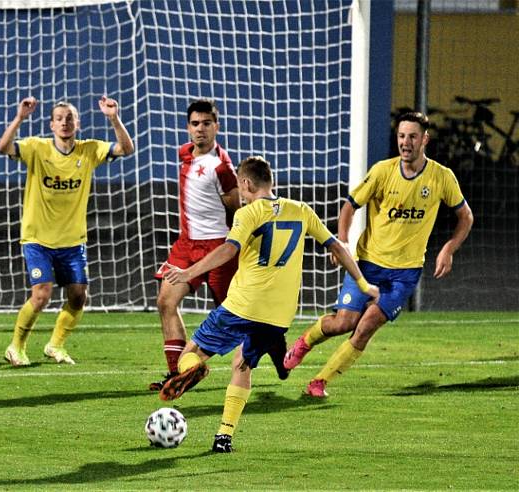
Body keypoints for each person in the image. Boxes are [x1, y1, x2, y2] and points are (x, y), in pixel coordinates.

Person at [159, 156, 380, 453]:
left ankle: (192, 369)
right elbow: (337, 247)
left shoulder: (248, 214)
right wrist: (364, 285)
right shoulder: (301, 210)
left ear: (247, 184)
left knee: (193, 351)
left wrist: (188, 272)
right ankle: (224, 436)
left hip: (243, 305)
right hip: (279, 315)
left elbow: (228, 249)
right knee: (243, 362)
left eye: (240, 186)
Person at [283, 111, 474, 398]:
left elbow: (466, 216)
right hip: (368, 265)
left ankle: (319, 382)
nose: (405, 142)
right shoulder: (383, 171)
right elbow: (349, 206)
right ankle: (304, 343)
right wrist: (343, 241)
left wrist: (449, 247)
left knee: (366, 326)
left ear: (425, 139)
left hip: (405, 273)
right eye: (401, 136)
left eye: (411, 136)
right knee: (343, 323)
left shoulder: (441, 177)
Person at [0, 95, 134, 366]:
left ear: (78, 123)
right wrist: (20, 118)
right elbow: (3, 147)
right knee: (42, 295)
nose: (65, 122)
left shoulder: (89, 150)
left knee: (79, 296)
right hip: (37, 238)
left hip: (72, 242)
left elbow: (126, 149)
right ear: (51, 125)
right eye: (59, 118)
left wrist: (113, 118)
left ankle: (55, 346)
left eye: (69, 118)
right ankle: (16, 346)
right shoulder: (37, 148)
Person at [149, 99, 242, 391]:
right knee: (166, 301)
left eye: (206, 123)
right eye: (194, 124)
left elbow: (236, 210)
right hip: (186, 245)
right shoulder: (186, 154)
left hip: (217, 247)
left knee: (230, 314)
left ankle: (248, 369)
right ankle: (179, 374)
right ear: (188, 127)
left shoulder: (222, 167)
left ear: (217, 126)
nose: (200, 129)